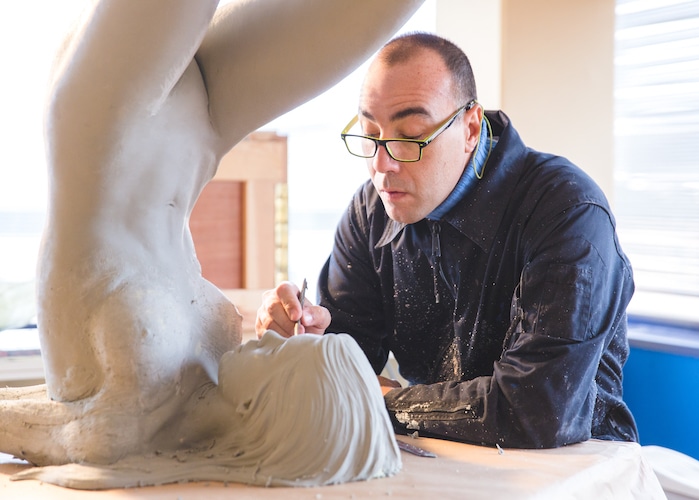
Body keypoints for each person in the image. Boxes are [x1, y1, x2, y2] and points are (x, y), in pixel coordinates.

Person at [0, 0, 422, 479]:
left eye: (296, 356)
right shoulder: (208, 382)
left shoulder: (122, 430)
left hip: (104, 125)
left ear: (276, 402)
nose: (284, 342)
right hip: (195, 134)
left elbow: (27, 423)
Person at [256, 32, 639, 449]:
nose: (380, 166)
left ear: (471, 128)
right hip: (445, 458)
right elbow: (349, 366)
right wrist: (306, 342)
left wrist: (379, 397)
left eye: (409, 136)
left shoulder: (567, 212)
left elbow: (534, 411)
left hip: (578, 472)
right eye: (370, 133)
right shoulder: (371, 212)